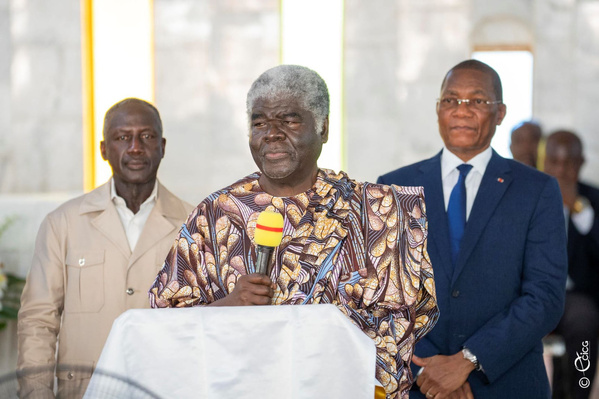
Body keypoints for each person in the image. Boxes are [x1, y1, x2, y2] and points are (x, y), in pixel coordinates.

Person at [149, 65, 439, 399]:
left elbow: (407, 320)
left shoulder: (376, 211)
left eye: (288, 120)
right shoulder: (215, 214)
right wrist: (226, 305)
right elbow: (164, 324)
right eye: (259, 122)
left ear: (323, 127)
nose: (271, 133)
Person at [377, 60, 568, 398]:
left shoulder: (536, 189)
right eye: (451, 100)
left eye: (477, 101)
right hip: (418, 382)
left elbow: (545, 296)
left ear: (500, 113)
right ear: (438, 110)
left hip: (506, 380)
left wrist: (467, 361)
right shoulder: (394, 187)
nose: (461, 111)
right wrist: (428, 370)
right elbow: (382, 295)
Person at [17, 98, 193, 398]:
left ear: (162, 146)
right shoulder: (63, 224)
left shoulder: (193, 225)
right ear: (103, 150)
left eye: (147, 137)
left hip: (163, 389)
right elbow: (38, 321)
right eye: (122, 137)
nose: (135, 147)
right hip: (84, 391)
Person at [544, 130, 599, 399]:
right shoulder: (528, 197)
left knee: (584, 320)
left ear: (580, 164)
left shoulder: (594, 199)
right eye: (554, 162)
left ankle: (581, 393)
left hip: (576, 296)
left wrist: (580, 212)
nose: (561, 170)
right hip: (533, 293)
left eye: (568, 163)